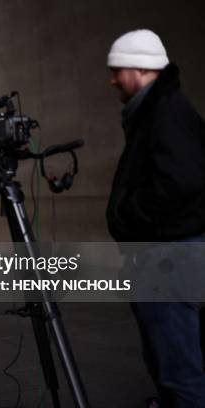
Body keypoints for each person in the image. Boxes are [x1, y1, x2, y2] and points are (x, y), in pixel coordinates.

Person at [106, 29, 205, 407]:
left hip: (169, 258)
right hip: (166, 255)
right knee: (167, 359)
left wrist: (130, 214)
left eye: (118, 70)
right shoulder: (155, 108)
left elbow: (183, 180)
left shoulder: (167, 109)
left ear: (140, 68)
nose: (112, 79)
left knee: (178, 369)